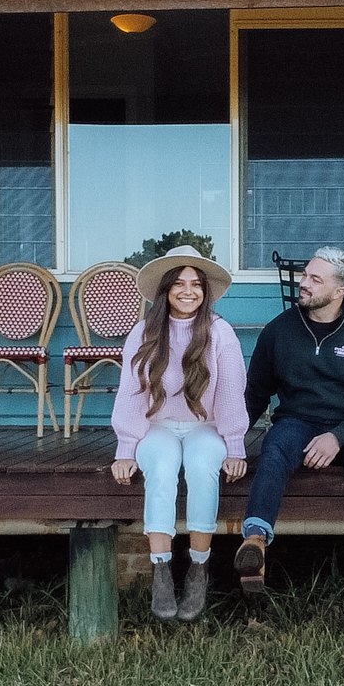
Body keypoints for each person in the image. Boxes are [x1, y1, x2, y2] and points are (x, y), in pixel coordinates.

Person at [238, 246, 344, 636]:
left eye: (314, 279)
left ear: (340, 289)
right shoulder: (280, 330)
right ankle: (255, 546)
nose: (303, 283)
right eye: (304, 275)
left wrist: (338, 436)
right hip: (298, 420)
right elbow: (254, 395)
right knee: (275, 445)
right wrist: (228, 442)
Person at [110, 246, 249, 621]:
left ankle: (199, 568)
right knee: (163, 468)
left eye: (196, 284)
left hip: (205, 427)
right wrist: (126, 447)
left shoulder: (220, 332)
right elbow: (131, 390)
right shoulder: (145, 331)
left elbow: (231, 391)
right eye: (180, 283)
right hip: (157, 427)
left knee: (203, 467)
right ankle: (160, 570)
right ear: (166, 289)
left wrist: (234, 444)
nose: (188, 291)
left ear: (205, 292)